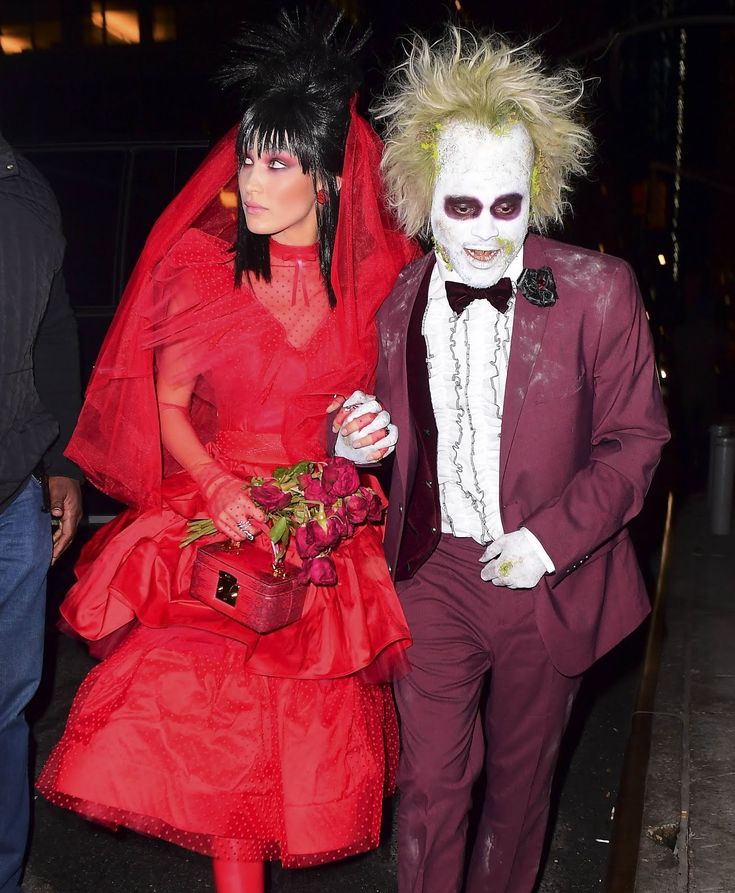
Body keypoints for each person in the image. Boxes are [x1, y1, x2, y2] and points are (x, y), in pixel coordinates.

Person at [37, 10, 415, 892]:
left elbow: (387, 409)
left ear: (324, 180)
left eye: (276, 161)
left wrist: (363, 439)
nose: (250, 178)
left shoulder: (378, 285)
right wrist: (211, 486)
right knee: (218, 741)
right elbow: (170, 409)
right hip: (217, 516)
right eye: (247, 157)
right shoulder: (202, 273)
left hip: (316, 525)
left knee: (298, 736)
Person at [371, 27, 671, 893]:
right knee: (428, 784)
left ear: (535, 193)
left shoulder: (595, 289)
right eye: (460, 207)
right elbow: (383, 430)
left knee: (518, 788)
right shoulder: (398, 301)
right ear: (425, 197)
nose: (483, 232)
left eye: (505, 206)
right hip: (433, 574)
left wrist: (545, 539)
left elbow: (636, 439)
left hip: (547, 577)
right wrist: (353, 440)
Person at [0, 130, 83, 892]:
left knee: (6, 708)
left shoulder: (25, 187)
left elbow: (53, 332)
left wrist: (59, 464)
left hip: (12, 497)